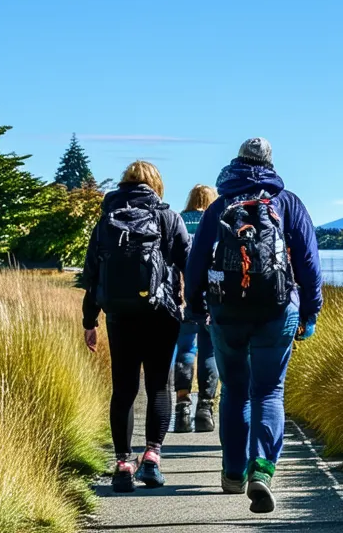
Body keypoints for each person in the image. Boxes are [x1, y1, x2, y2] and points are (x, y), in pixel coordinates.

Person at [185, 138, 322, 514]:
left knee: (234, 391)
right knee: (268, 391)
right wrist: (310, 312)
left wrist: (196, 305)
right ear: (271, 164)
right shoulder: (287, 202)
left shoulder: (220, 205)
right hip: (278, 310)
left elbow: (196, 261)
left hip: (226, 312)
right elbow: (308, 262)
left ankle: (231, 473)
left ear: (237, 162)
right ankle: (260, 469)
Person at [82, 161, 189, 493]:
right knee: (159, 385)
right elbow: (189, 261)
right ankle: (153, 458)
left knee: (124, 387)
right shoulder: (168, 217)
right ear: (156, 185)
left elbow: (92, 277)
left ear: (124, 184)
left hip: (119, 315)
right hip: (162, 313)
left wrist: (90, 321)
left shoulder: (105, 222)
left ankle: (123, 464)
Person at [173, 184, 220, 433]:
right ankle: (205, 407)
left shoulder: (179, 220)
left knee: (185, 348)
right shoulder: (216, 221)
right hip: (210, 296)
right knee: (209, 350)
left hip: (181, 295)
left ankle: (182, 408)